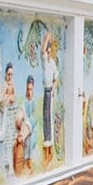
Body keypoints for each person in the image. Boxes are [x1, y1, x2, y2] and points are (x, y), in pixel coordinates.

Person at [41, 31, 59, 164]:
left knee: (49, 118)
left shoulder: (52, 63)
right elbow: (41, 49)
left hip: (50, 92)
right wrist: (46, 38)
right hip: (45, 90)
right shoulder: (45, 62)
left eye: (49, 51)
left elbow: (56, 78)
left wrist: (54, 88)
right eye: (46, 51)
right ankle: (46, 145)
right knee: (45, 117)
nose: (47, 53)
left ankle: (50, 148)